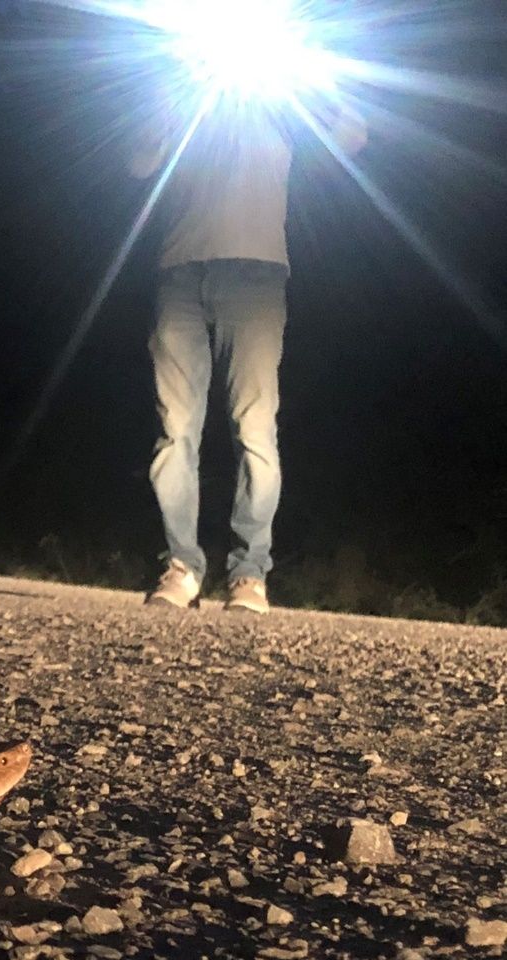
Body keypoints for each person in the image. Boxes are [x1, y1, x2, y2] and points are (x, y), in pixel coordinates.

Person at [130, 93, 367, 612]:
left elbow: (352, 137)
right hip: (180, 272)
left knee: (255, 427)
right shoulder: (184, 99)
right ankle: (182, 566)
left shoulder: (281, 99)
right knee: (175, 429)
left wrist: (304, 79)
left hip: (257, 275)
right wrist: (166, 107)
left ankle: (249, 574)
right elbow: (139, 163)